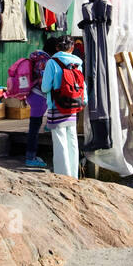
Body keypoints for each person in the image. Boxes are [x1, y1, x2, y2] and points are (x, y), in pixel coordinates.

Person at [41, 35, 85, 178]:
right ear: (72, 48)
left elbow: (45, 87)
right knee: (72, 139)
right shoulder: (78, 62)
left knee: (60, 141)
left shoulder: (52, 63)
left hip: (57, 106)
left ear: (57, 47)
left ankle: (63, 176)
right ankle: (74, 175)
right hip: (73, 105)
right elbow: (81, 85)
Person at [22, 42, 54, 168]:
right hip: (39, 96)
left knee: (34, 126)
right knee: (34, 129)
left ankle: (49, 124)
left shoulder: (36, 57)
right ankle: (30, 158)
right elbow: (43, 83)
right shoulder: (45, 61)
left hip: (32, 94)